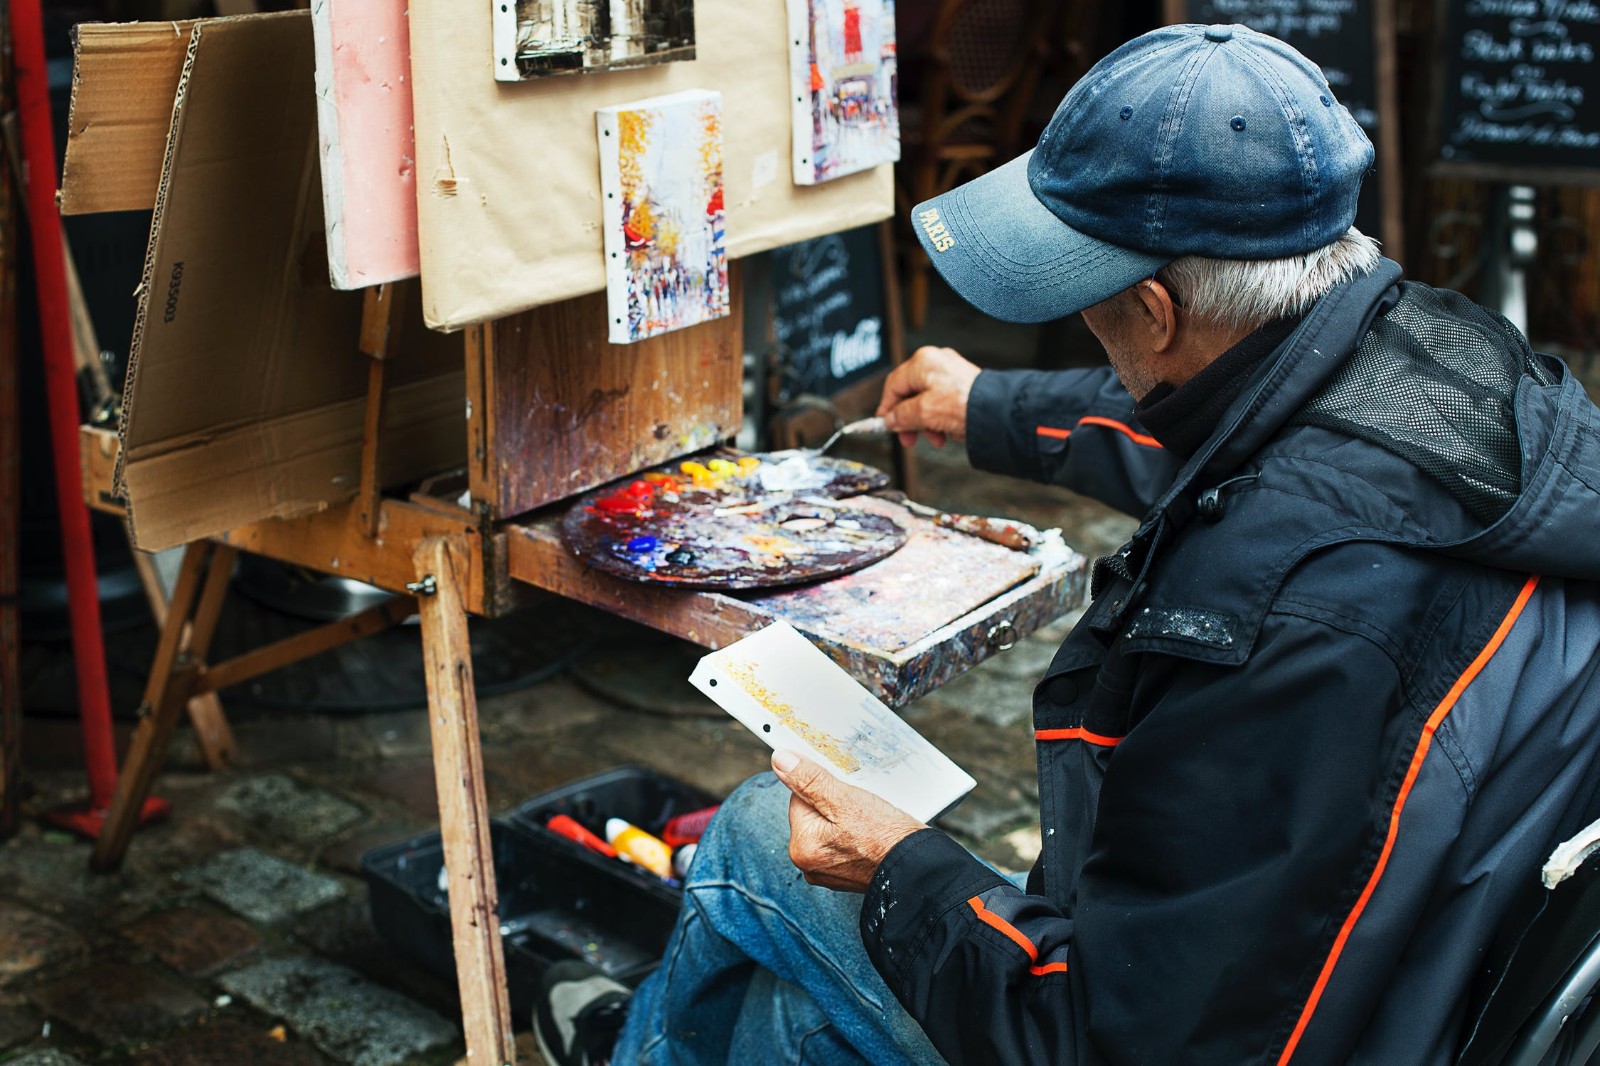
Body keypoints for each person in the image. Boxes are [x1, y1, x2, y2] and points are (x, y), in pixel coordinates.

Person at [535, 22, 1600, 1066]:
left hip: (1299, 1018)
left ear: (1151, 308)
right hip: (1421, 952)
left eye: (1088, 301)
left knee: (767, 832)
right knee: (790, 1019)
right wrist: (988, 405)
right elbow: (1223, 429)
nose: (1089, 323)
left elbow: (1108, 1037)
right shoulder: (1443, 360)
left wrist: (899, 863)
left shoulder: (1279, 615)